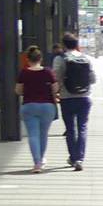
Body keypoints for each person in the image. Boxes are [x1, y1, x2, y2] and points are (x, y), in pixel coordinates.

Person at [53, 32, 97, 171]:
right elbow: (93, 79)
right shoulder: (87, 58)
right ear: (77, 44)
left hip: (67, 98)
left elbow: (56, 78)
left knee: (70, 128)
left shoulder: (60, 59)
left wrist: (57, 91)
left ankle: (73, 157)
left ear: (64, 45)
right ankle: (79, 158)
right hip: (85, 98)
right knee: (82, 127)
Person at [16, 45, 60, 173]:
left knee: (33, 135)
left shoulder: (24, 72)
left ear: (28, 60)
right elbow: (55, 89)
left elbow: (18, 91)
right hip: (47, 107)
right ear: (40, 59)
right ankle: (41, 159)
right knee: (43, 134)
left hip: (29, 106)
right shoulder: (47, 71)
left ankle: (37, 162)